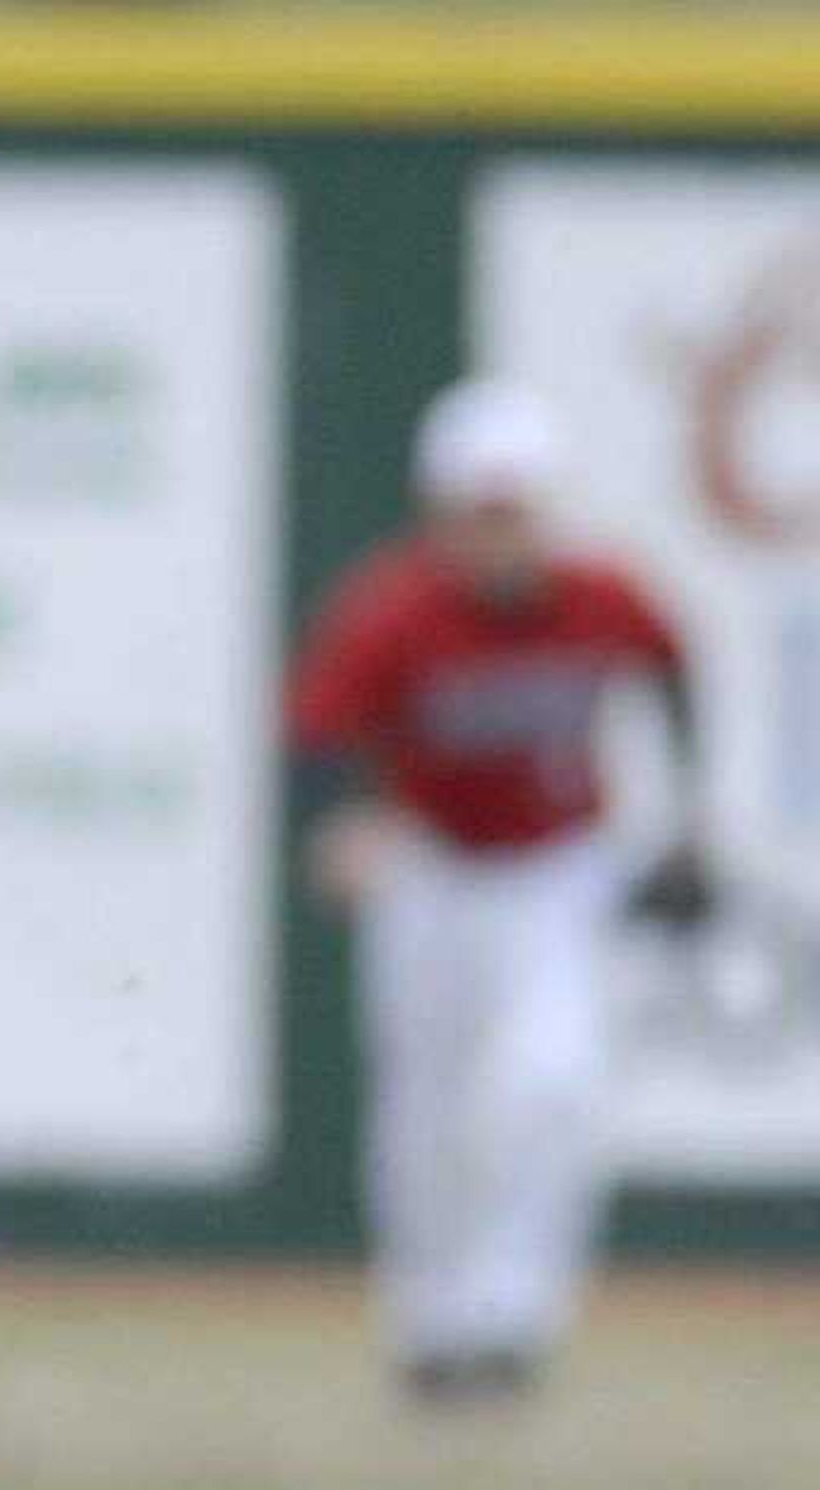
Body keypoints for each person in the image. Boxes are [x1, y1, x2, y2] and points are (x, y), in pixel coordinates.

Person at [290, 377, 710, 1406]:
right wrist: (343, 823)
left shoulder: (603, 596)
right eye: (480, 511)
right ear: (441, 513)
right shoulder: (395, 612)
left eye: (515, 510)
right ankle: (430, 1321)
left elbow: (674, 672)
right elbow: (315, 732)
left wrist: (689, 819)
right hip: (433, 869)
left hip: (558, 872)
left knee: (551, 1083)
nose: (499, 535)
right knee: (427, 1111)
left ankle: (511, 1320)